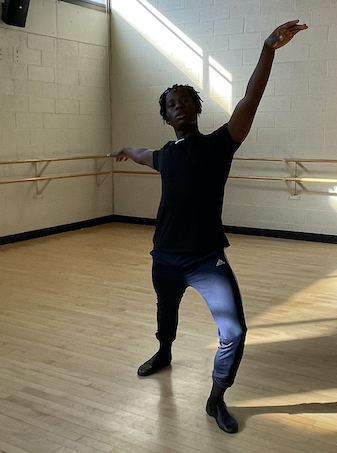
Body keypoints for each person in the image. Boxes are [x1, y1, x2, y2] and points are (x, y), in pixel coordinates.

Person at [110, 20, 308, 434]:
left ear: (196, 108)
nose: (179, 105)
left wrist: (267, 49)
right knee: (166, 312)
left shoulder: (220, 145)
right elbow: (142, 152)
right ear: (166, 116)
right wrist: (126, 149)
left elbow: (250, 100)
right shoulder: (165, 154)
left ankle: (216, 398)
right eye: (172, 103)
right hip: (164, 257)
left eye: (185, 100)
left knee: (234, 330)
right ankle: (164, 352)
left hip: (205, 260)